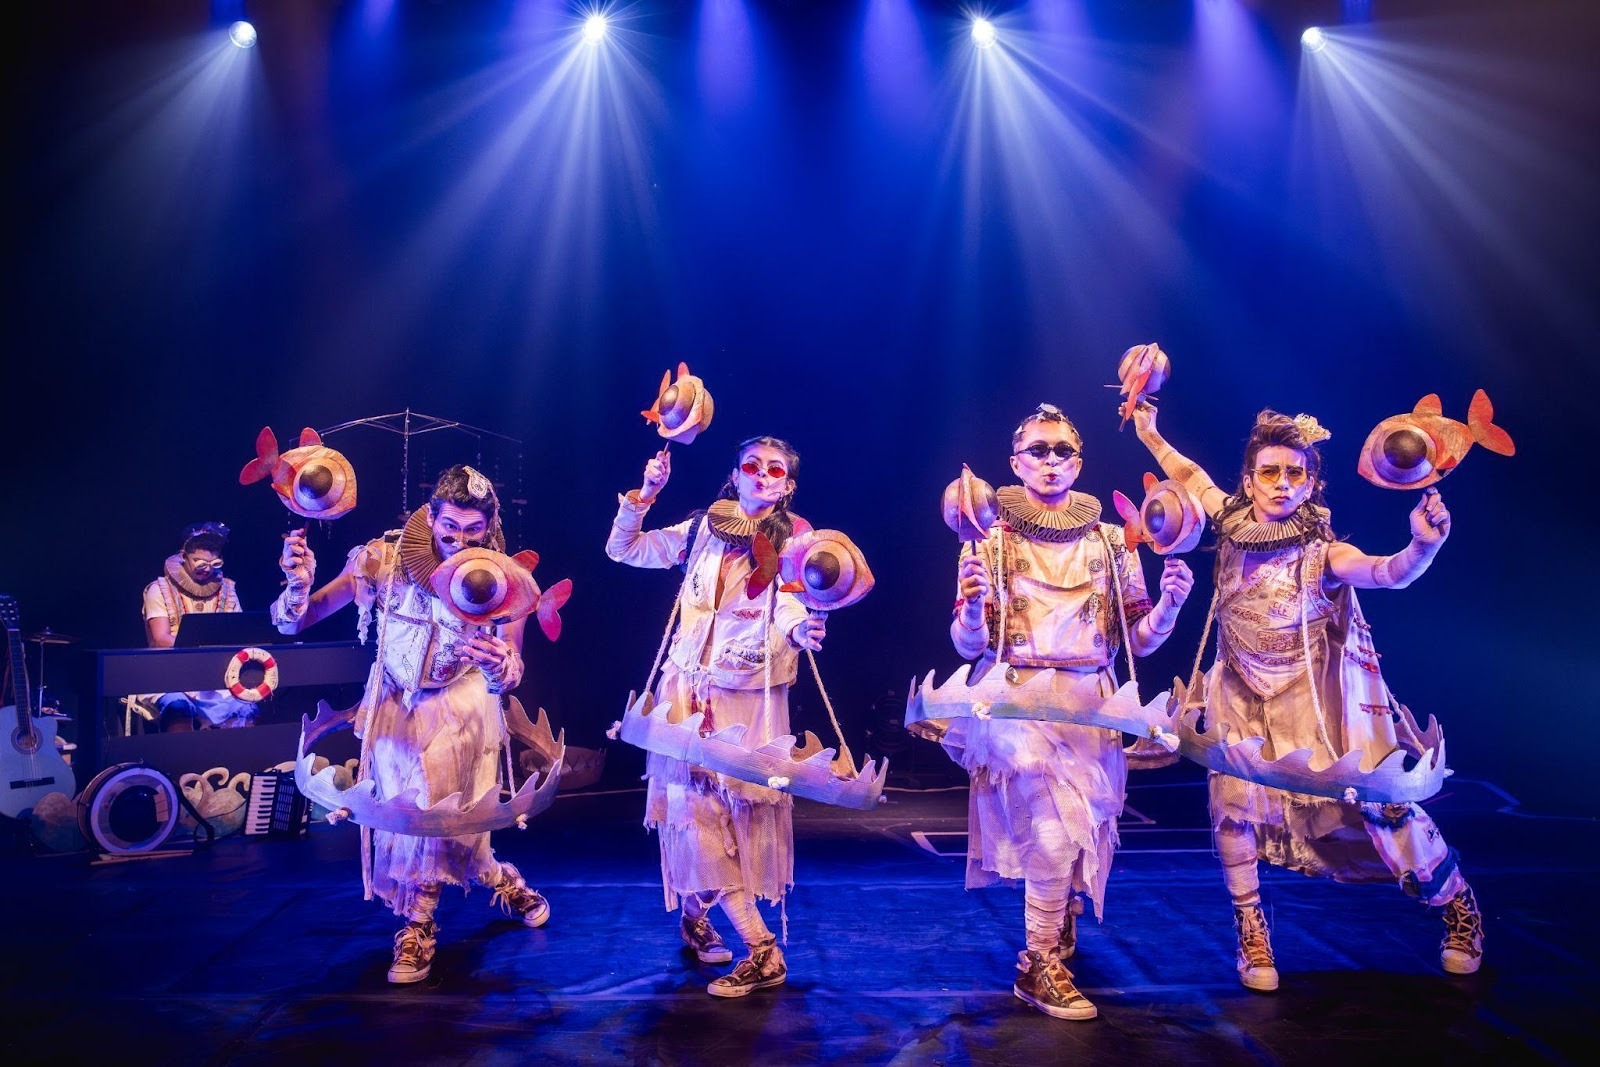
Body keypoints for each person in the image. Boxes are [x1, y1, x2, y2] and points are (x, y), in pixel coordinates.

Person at [1132, 401, 1484, 990]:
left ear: (1312, 483)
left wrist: (1422, 546)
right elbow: (1187, 473)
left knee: (1378, 805)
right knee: (1232, 808)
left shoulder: (1325, 552)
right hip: (1240, 693)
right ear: (1248, 480)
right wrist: (1149, 432)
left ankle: (1455, 904)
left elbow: (1385, 572)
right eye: (1269, 471)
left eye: (1296, 474)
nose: (1282, 484)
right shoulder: (1230, 524)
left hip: (1311, 704)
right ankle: (1251, 931)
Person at [945, 404, 1193, 1021]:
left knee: (1084, 829)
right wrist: (973, 611)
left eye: (1061, 451)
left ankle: (1058, 921)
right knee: (1052, 831)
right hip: (1018, 700)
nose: (1050, 461)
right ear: (1015, 463)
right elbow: (968, 644)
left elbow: (1137, 640)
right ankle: (1037, 964)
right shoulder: (990, 538)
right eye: (1037, 451)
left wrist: (1169, 605)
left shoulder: (1111, 541)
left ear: (1078, 463)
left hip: (1090, 702)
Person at [272, 465, 551, 985]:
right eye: (450, 530)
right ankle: (500, 878)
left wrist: (498, 667)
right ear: (431, 517)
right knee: (414, 814)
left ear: (489, 529)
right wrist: (297, 584)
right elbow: (295, 621)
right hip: (396, 704)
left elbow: (512, 667)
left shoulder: (502, 579)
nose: (460, 542)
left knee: (436, 804)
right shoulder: (384, 558)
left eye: (473, 532)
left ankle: (417, 924)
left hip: (461, 705)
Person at [606, 436, 826, 998]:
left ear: (787, 486)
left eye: (774, 469)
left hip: (747, 699)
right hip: (685, 696)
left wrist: (804, 629)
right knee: (693, 814)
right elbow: (622, 550)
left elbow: (795, 601)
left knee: (740, 819)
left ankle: (698, 909)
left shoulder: (796, 541)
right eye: (751, 465)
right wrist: (647, 493)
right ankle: (762, 950)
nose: (762, 475)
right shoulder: (702, 530)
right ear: (735, 473)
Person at [139, 522, 254, 730]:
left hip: (216, 677)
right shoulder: (159, 589)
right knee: (178, 709)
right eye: (199, 562)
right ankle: (182, 761)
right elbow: (161, 638)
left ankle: (235, 760)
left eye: (213, 563)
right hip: (168, 676)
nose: (207, 569)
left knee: (247, 707)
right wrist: (203, 647)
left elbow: (236, 635)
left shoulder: (227, 591)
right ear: (183, 557)